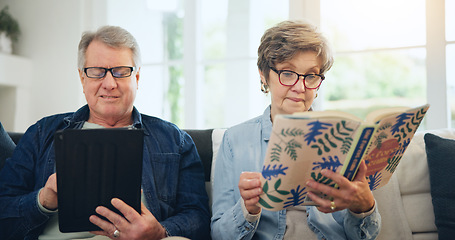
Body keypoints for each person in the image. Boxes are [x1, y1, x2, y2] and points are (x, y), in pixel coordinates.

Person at [0, 26, 210, 240]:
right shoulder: (41, 133)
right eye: (97, 72)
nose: (109, 84)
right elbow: (3, 216)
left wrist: (160, 232)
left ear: (136, 78)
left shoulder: (175, 142)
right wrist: (43, 200)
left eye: (120, 72)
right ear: (83, 79)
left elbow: (200, 219)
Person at [211, 20, 381, 240]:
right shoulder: (234, 141)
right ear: (264, 75)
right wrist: (247, 209)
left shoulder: (344, 139)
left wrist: (364, 206)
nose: (300, 88)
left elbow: (363, 236)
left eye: (311, 76)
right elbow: (218, 235)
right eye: (288, 73)